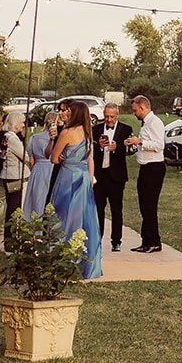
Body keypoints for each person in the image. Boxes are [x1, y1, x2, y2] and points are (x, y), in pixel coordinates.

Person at [48, 99, 102, 278]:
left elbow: (54, 159)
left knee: (63, 217)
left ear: (75, 114)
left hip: (68, 177)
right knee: (85, 219)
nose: (66, 113)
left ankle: (64, 262)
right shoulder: (88, 132)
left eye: (69, 111)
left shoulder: (67, 132)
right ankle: (86, 263)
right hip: (84, 178)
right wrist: (91, 178)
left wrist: (61, 156)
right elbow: (90, 158)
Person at [125, 94, 166, 252]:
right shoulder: (145, 123)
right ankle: (146, 240)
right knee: (144, 205)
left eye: (135, 110)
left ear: (143, 107)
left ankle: (154, 241)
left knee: (149, 206)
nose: (134, 114)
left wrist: (140, 141)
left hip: (154, 167)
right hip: (146, 166)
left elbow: (159, 145)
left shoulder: (154, 122)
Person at [94, 103, 132, 251]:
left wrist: (118, 148)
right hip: (100, 175)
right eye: (106, 116)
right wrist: (99, 147)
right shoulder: (95, 129)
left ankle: (116, 241)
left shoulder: (126, 129)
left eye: (112, 116)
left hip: (116, 176)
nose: (109, 120)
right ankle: (97, 238)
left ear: (117, 116)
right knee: (99, 209)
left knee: (116, 209)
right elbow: (90, 150)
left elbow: (131, 150)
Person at [1, 110, 28, 220]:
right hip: (14, 176)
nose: (23, 125)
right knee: (14, 206)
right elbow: (24, 156)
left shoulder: (7, 136)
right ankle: (11, 233)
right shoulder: (12, 139)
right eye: (22, 122)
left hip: (10, 175)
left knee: (12, 205)